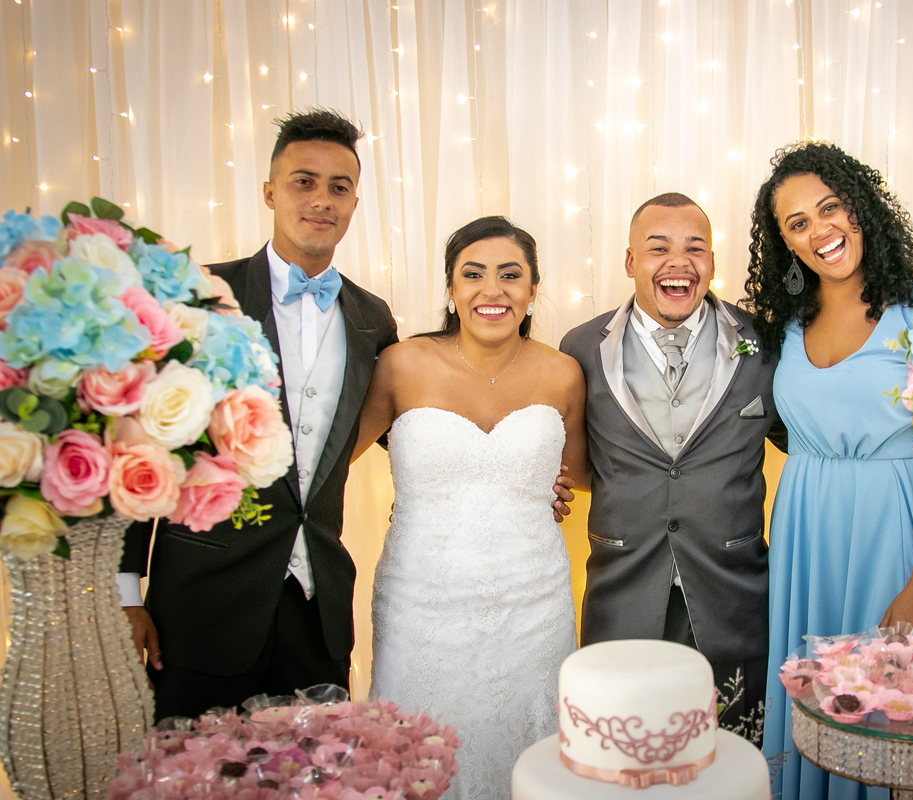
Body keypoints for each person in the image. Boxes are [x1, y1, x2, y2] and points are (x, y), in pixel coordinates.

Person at [118, 109, 399, 720]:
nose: (321, 200)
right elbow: (139, 447)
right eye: (304, 181)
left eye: (339, 186)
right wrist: (124, 591)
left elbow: (406, 433)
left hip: (317, 605)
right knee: (190, 777)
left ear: (354, 202)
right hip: (200, 604)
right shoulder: (200, 297)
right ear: (270, 192)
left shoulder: (374, 320)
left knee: (319, 778)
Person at [748, 142, 913, 799]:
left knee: (897, 714)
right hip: (809, 533)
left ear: (861, 207)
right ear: (786, 244)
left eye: (830, 207)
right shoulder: (784, 326)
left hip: (901, 529)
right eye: (797, 223)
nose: (820, 229)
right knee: (823, 720)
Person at [354, 215, 586, 800]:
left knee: (529, 754)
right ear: (451, 290)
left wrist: (546, 482)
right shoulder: (401, 365)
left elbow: (581, 474)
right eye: (473, 275)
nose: (493, 290)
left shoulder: (563, 374)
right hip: (420, 605)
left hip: (534, 604)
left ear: (533, 290)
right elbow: (327, 464)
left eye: (511, 276)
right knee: (420, 758)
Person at [560, 193, 787, 745]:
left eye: (696, 247)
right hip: (624, 585)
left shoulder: (763, 342)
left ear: (712, 261)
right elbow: (577, 463)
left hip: (732, 587)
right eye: (658, 247)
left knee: (729, 756)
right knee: (623, 751)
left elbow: (807, 437)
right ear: (631, 262)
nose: (679, 262)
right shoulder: (582, 347)